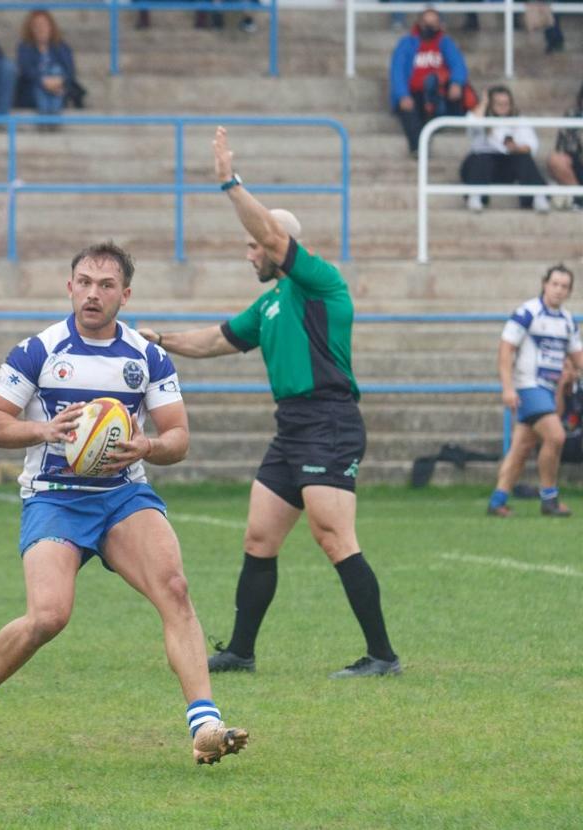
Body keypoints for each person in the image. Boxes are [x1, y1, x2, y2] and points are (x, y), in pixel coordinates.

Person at [0, 241, 249, 769]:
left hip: (121, 496)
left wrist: (148, 446)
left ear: (125, 295)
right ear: (70, 287)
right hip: (54, 498)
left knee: (174, 589)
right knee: (48, 616)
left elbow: (178, 437)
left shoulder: (146, 356)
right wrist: (43, 428)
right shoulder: (37, 351)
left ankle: (205, 723)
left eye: (106, 285)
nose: (93, 293)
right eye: (84, 282)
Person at [138, 127, 401, 679]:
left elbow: (274, 239)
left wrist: (230, 184)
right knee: (259, 536)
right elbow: (215, 340)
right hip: (293, 428)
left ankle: (383, 656)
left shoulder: (319, 283)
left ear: (276, 242)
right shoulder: (271, 302)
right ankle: (240, 651)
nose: (249, 252)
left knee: (333, 536)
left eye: (255, 245)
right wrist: (158, 341)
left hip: (329, 421)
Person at [486, 265, 582, 518]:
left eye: (564, 286)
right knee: (556, 436)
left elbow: (578, 356)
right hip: (528, 387)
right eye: (555, 284)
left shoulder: (567, 321)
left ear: (569, 291)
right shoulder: (528, 312)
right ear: (544, 284)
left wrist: (573, 371)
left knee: (522, 446)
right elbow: (506, 349)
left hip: (548, 391)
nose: (559, 290)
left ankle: (498, 500)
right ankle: (549, 498)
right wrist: (508, 387)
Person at [389, 9, 469, 156]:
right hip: (414, 94)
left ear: (440, 24)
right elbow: (397, 71)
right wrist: (402, 95)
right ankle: (418, 148)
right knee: (409, 110)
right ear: (419, 23)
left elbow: (458, 64)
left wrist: (456, 82)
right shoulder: (406, 43)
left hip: (438, 93)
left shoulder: (445, 42)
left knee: (438, 86)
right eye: (426, 23)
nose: (429, 27)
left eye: (433, 23)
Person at [461, 85, 551, 214]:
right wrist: (484, 103)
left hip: (508, 167)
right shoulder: (482, 118)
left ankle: (537, 197)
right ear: (491, 104)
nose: (502, 106)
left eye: (506, 103)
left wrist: (516, 148)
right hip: (481, 166)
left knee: (523, 158)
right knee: (481, 156)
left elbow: (531, 146)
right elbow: (471, 122)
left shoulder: (520, 120)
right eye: (498, 103)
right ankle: (475, 196)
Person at [15, 9, 76, 128]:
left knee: (56, 71)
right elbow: (26, 70)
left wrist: (59, 81)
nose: (40, 29)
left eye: (44, 25)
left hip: (58, 87)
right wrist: (43, 81)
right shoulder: (24, 48)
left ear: (51, 27)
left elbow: (70, 71)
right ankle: (48, 117)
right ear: (30, 29)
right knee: (43, 78)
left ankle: (51, 117)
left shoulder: (62, 47)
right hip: (33, 90)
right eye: (36, 26)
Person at [547, 82, 583, 211]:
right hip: (578, 162)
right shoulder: (572, 115)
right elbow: (562, 147)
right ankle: (579, 198)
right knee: (555, 159)